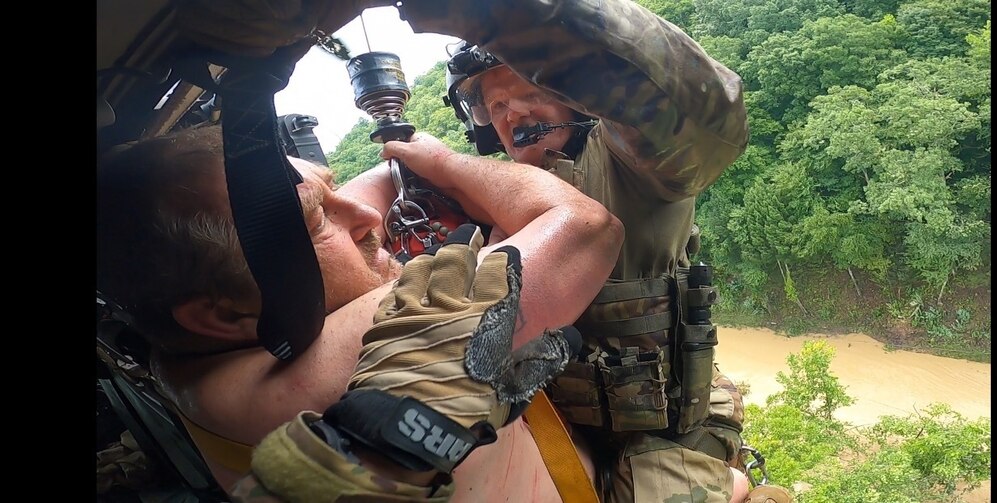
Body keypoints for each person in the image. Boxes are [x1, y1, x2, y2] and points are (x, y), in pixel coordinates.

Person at [170, 0, 797, 501]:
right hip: (554, 434)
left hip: (658, 443)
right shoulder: (480, 189)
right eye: (488, 104)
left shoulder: (634, 166)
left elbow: (705, 111)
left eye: (525, 87)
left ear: (577, 93)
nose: (510, 113)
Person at [97, 125, 757, 501]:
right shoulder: (334, 362)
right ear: (214, 311)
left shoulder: (195, 351)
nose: (368, 222)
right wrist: (437, 158)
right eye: (319, 219)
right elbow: (582, 226)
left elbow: (352, 198)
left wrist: (383, 166)